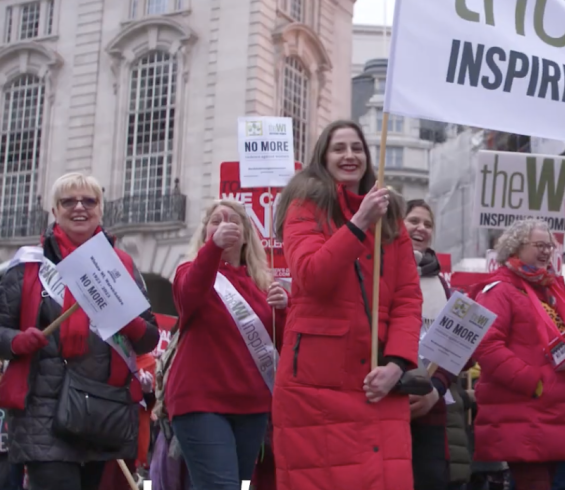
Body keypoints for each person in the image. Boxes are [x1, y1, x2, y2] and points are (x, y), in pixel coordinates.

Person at [0, 173, 159, 490]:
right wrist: (18, 341)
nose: (79, 207)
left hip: (102, 410)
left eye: (89, 201)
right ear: (54, 211)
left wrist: (128, 320)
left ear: (100, 209)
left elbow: (148, 338)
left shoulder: (122, 267)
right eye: (68, 201)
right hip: (42, 412)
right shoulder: (29, 265)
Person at [272, 120, 423, 490]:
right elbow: (311, 276)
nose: (350, 155)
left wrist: (396, 363)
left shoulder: (391, 217)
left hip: (378, 381)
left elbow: (407, 297)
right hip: (317, 384)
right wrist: (358, 223)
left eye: (357, 148)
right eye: (339, 148)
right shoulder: (304, 206)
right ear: (323, 156)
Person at [165, 199, 289, 490]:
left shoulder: (262, 286)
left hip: (252, 407)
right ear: (206, 232)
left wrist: (284, 308)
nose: (224, 226)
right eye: (216, 221)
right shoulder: (189, 270)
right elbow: (189, 293)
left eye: (232, 221)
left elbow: (280, 344)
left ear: (246, 235)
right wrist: (213, 249)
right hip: (200, 403)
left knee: (240, 485)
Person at [471, 218, 565, 490]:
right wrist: (535, 383)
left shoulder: (555, 291)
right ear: (515, 247)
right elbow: (487, 346)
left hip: (561, 413)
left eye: (549, 247)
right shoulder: (499, 290)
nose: (545, 252)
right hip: (528, 412)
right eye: (539, 245)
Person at [402, 198, 474, 490]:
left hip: (433, 411)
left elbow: (457, 352)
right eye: (414, 221)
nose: (421, 228)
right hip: (391, 404)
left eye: (428, 224)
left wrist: (436, 390)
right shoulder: (376, 273)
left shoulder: (443, 286)